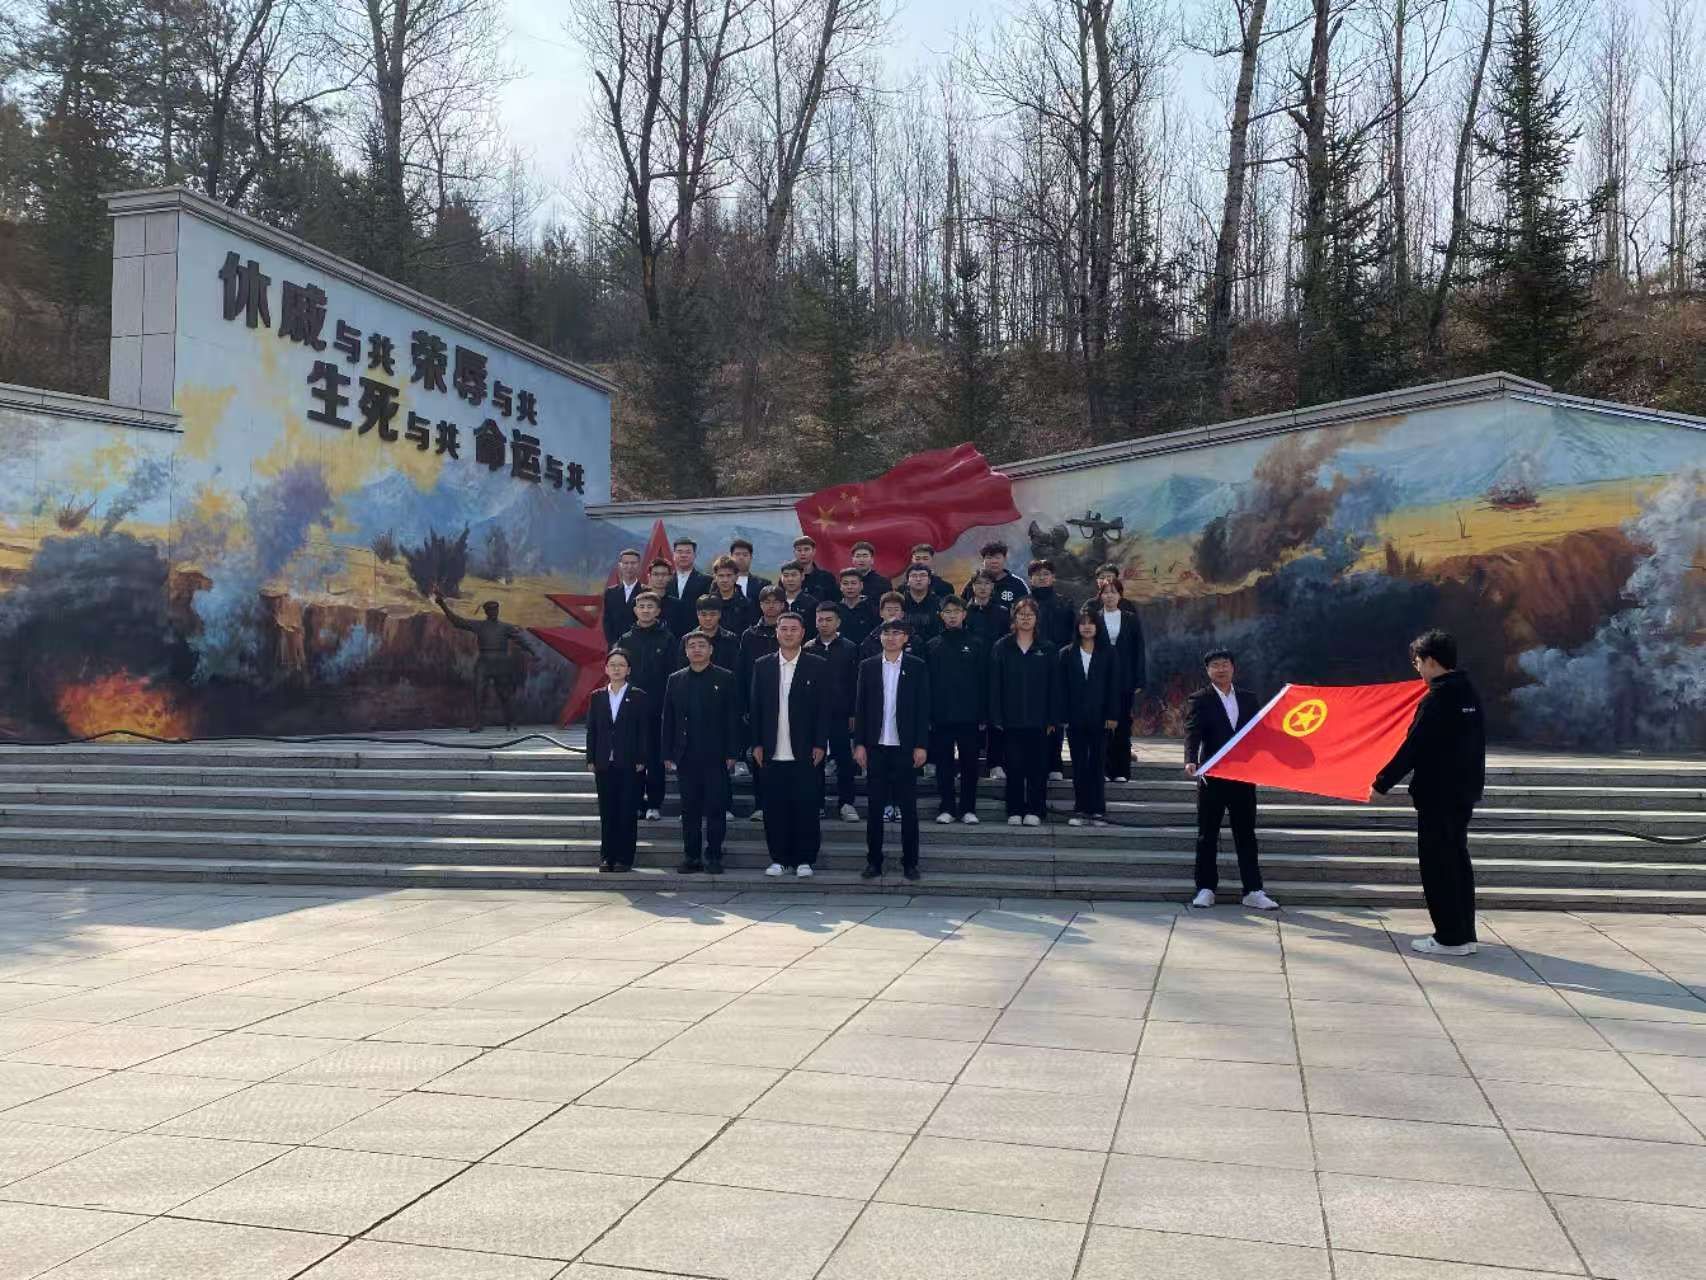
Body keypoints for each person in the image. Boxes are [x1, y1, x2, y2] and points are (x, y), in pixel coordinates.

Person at [1372, 629, 1486, 956]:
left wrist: (1381, 783)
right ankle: (1464, 935)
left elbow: (1414, 747)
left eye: (1418, 662)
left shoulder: (1437, 698)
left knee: (1438, 867)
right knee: (1458, 863)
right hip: (1463, 794)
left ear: (1432, 662)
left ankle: (1449, 938)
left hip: (1438, 796)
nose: (1417, 668)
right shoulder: (1468, 692)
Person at [1183, 649, 1278, 911]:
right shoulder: (1200, 699)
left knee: (1246, 834)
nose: (1221, 669)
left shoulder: (1248, 698)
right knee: (1207, 834)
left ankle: (1253, 890)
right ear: (1208, 671)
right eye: (1215, 665)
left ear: (1233, 668)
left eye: (1225, 664)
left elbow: (1260, 732)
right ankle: (1205, 888)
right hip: (1213, 776)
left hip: (1243, 776)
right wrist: (1190, 759)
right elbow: (1192, 731)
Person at [751, 612, 830, 878]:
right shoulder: (763, 665)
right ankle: (779, 858)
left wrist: (820, 742)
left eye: (793, 629)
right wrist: (756, 743)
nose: (788, 633)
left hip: (805, 749)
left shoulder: (817, 665)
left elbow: (823, 709)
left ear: (803, 633)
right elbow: (756, 707)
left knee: (806, 806)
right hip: (771, 749)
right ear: (776, 632)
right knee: (774, 808)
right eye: (783, 629)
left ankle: (805, 859)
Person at [854, 619, 931, 881]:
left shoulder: (917, 666)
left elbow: (923, 707)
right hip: (876, 746)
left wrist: (921, 745)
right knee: (875, 807)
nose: (891, 637)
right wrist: (859, 744)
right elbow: (861, 707)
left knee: (908, 808)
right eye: (886, 633)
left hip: (905, 747)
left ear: (906, 638)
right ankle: (873, 861)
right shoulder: (868, 666)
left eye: (896, 633)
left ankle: (910, 862)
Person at [661, 631, 741, 874]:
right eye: (692, 646)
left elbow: (733, 718)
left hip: (716, 755)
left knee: (716, 808)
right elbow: (668, 718)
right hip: (686, 755)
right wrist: (667, 753)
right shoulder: (675, 679)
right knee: (690, 809)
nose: (696, 649)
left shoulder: (725, 678)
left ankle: (714, 856)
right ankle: (691, 856)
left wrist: (732, 752)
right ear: (685, 651)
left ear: (710, 650)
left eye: (701, 645)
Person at [989, 597, 1056, 826]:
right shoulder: (1002, 646)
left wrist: (1052, 717)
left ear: (1036, 619)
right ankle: (1015, 810)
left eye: (1030, 615)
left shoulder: (1047, 648)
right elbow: (994, 685)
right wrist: (996, 715)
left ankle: (1036, 810)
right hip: (1011, 719)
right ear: (1014, 618)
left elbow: (1054, 686)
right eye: (1021, 614)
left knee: (1038, 768)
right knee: (1014, 766)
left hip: (1040, 720)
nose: (1025, 618)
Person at [586, 649, 650, 872]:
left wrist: (642, 757)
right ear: (606, 669)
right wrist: (591, 757)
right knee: (607, 812)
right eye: (612, 665)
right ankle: (607, 857)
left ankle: (624, 858)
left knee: (627, 811)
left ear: (628, 670)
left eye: (621, 665)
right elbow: (592, 730)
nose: (616, 669)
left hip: (630, 762)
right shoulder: (597, 696)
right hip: (604, 762)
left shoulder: (638, 696)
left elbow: (644, 730)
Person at [616, 590, 677, 821]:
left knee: (655, 758)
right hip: (631, 708)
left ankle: (654, 803)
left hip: (658, 707)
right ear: (635, 611)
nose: (645, 611)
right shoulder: (625, 639)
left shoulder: (667, 639)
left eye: (650, 607)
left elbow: (673, 674)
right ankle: (636, 803)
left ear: (658, 611)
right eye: (641, 607)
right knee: (632, 756)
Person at [926, 595, 987, 825]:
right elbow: (927, 684)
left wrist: (984, 713)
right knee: (943, 764)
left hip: (970, 716)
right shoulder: (932, 645)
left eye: (956, 611)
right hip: (941, 716)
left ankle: (968, 808)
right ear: (941, 616)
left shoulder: (977, 643)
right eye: (947, 612)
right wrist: (928, 715)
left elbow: (985, 681)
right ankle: (947, 807)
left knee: (970, 764)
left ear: (964, 614)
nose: (952, 616)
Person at [1056, 606, 1119, 826]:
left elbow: (1114, 686)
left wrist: (1113, 714)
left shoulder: (1109, 653)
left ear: (1097, 626)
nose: (1086, 627)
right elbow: (1060, 688)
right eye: (1082, 623)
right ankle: (1080, 809)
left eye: (1090, 623)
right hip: (1075, 718)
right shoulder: (1066, 653)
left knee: (1098, 764)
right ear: (1077, 627)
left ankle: (1098, 810)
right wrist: (1062, 715)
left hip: (1101, 718)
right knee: (1079, 764)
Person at [434, 593, 531, 732]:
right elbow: (457, 621)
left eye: (495, 609)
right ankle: (479, 723)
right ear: (486, 612)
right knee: (478, 693)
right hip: (484, 662)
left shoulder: (505, 627)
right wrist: (442, 605)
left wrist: (533, 652)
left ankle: (511, 721)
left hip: (500, 661)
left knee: (505, 694)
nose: (494, 612)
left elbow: (521, 640)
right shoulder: (480, 626)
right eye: (491, 610)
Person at [806, 601, 861, 823]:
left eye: (829, 620)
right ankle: (816, 803)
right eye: (820, 620)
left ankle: (847, 803)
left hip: (841, 714)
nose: (824, 624)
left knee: (844, 759)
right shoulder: (808, 647)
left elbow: (855, 682)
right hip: (813, 715)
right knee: (814, 760)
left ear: (838, 622)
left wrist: (853, 712)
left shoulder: (850, 648)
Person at [737, 588, 786, 820]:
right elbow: (743, 672)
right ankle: (761, 804)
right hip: (758, 703)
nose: (771, 606)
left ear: (783, 605)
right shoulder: (749, 635)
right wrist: (745, 704)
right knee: (760, 755)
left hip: (788, 701)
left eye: (776, 602)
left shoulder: (789, 630)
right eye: (766, 602)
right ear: (760, 605)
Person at [1096, 578, 1146, 783]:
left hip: (1125, 679)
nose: (1109, 596)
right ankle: (1103, 769)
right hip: (1099, 680)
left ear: (1120, 595)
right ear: (1100, 595)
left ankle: (1121, 770)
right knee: (1101, 725)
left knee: (1123, 723)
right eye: (1105, 592)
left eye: (1113, 592)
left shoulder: (1130, 619)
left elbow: (1139, 650)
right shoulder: (1094, 618)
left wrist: (1139, 679)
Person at [1028, 559, 1074, 780]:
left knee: (1054, 716)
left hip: (1057, 667)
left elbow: (1072, 636)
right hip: (1028, 668)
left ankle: (1055, 763)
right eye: (1037, 574)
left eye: (1046, 573)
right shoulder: (1024, 604)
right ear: (1030, 579)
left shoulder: (1065, 603)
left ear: (1053, 577)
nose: (1042, 577)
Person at [964, 572, 1011, 780]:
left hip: (996, 671)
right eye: (979, 583)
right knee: (971, 720)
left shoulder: (1002, 612)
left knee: (996, 718)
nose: (983, 587)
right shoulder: (965, 611)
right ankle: (969, 764)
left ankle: (996, 763)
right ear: (972, 586)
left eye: (987, 583)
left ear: (993, 587)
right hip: (970, 672)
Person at [664, 539, 712, 637]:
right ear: (673, 555)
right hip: (668, 635)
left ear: (694, 555)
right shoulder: (665, 580)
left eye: (688, 552)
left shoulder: (707, 580)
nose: (683, 555)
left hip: (696, 634)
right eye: (679, 552)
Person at [683, 595, 741, 672]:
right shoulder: (687, 639)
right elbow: (682, 671)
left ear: (719, 614)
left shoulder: (730, 639)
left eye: (713, 614)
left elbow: (736, 670)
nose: (708, 618)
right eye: (704, 614)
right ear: (697, 614)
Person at [963, 541, 1028, 609]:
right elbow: (962, 609)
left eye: (997, 557)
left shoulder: (1018, 584)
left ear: (1005, 559)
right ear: (983, 560)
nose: (994, 561)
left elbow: (1028, 609)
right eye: (989, 558)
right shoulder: (973, 584)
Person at [860, 592, 923, 661]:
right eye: (889, 610)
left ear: (902, 614)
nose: (892, 613)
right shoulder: (871, 641)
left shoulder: (914, 640)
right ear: (881, 613)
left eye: (896, 610)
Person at [602, 549, 645, 649]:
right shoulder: (610, 592)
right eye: (626, 563)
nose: (629, 567)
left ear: (639, 565)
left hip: (640, 647)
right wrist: (613, 643)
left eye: (633, 563)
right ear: (620, 566)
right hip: (616, 648)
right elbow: (607, 621)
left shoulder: (646, 592)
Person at [707, 555, 758, 637]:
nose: (725, 580)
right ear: (715, 577)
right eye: (721, 576)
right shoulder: (707, 604)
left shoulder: (747, 604)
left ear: (736, 577)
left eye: (729, 575)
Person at [834, 569, 878, 647]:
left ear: (861, 585)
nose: (849, 587)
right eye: (845, 584)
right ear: (840, 587)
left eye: (853, 583)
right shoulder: (834, 610)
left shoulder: (872, 609)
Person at [900, 565, 942, 643]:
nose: (918, 579)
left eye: (923, 575)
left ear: (929, 580)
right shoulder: (899, 603)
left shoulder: (939, 603)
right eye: (914, 576)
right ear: (907, 581)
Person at [792, 535, 840, 602]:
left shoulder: (827, 577)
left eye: (806, 549)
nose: (803, 553)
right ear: (794, 552)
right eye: (799, 550)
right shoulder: (788, 578)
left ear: (814, 551)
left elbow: (835, 602)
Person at [730, 538, 771, 604]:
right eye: (737, 554)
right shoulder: (721, 582)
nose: (741, 558)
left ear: (751, 557)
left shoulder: (763, 585)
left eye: (745, 555)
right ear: (731, 556)